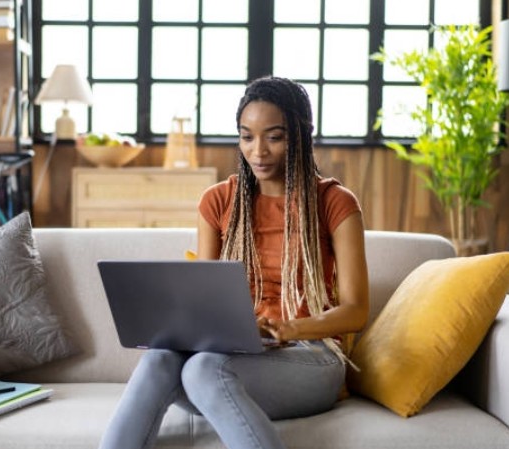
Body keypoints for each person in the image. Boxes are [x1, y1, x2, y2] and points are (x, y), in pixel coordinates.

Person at [98, 76, 369, 449]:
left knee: (204, 369)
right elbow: (199, 303)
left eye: (274, 137)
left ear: (302, 136)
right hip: (234, 356)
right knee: (161, 357)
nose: (258, 151)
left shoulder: (334, 202)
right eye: (247, 136)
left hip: (311, 357)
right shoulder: (218, 202)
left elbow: (356, 311)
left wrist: (288, 329)